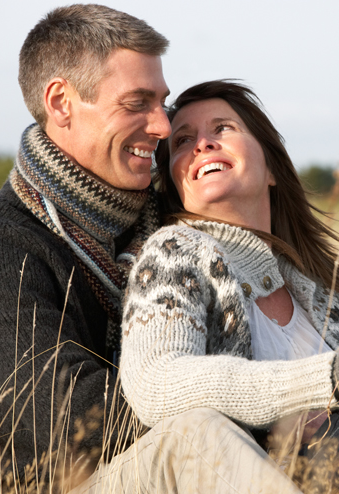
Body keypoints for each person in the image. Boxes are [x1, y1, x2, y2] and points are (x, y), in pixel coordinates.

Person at [0, 4, 171, 489]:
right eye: (137, 103)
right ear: (61, 102)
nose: (163, 126)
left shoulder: (170, 225)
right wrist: (238, 396)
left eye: (162, 102)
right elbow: (70, 415)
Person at [118, 80, 339, 493]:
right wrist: (325, 379)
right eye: (183, 140)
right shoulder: (174, 252)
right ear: (176, 188)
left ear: (271, 169)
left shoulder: (318, 287)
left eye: (222, 128)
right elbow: (156, 382)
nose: (202, 144)